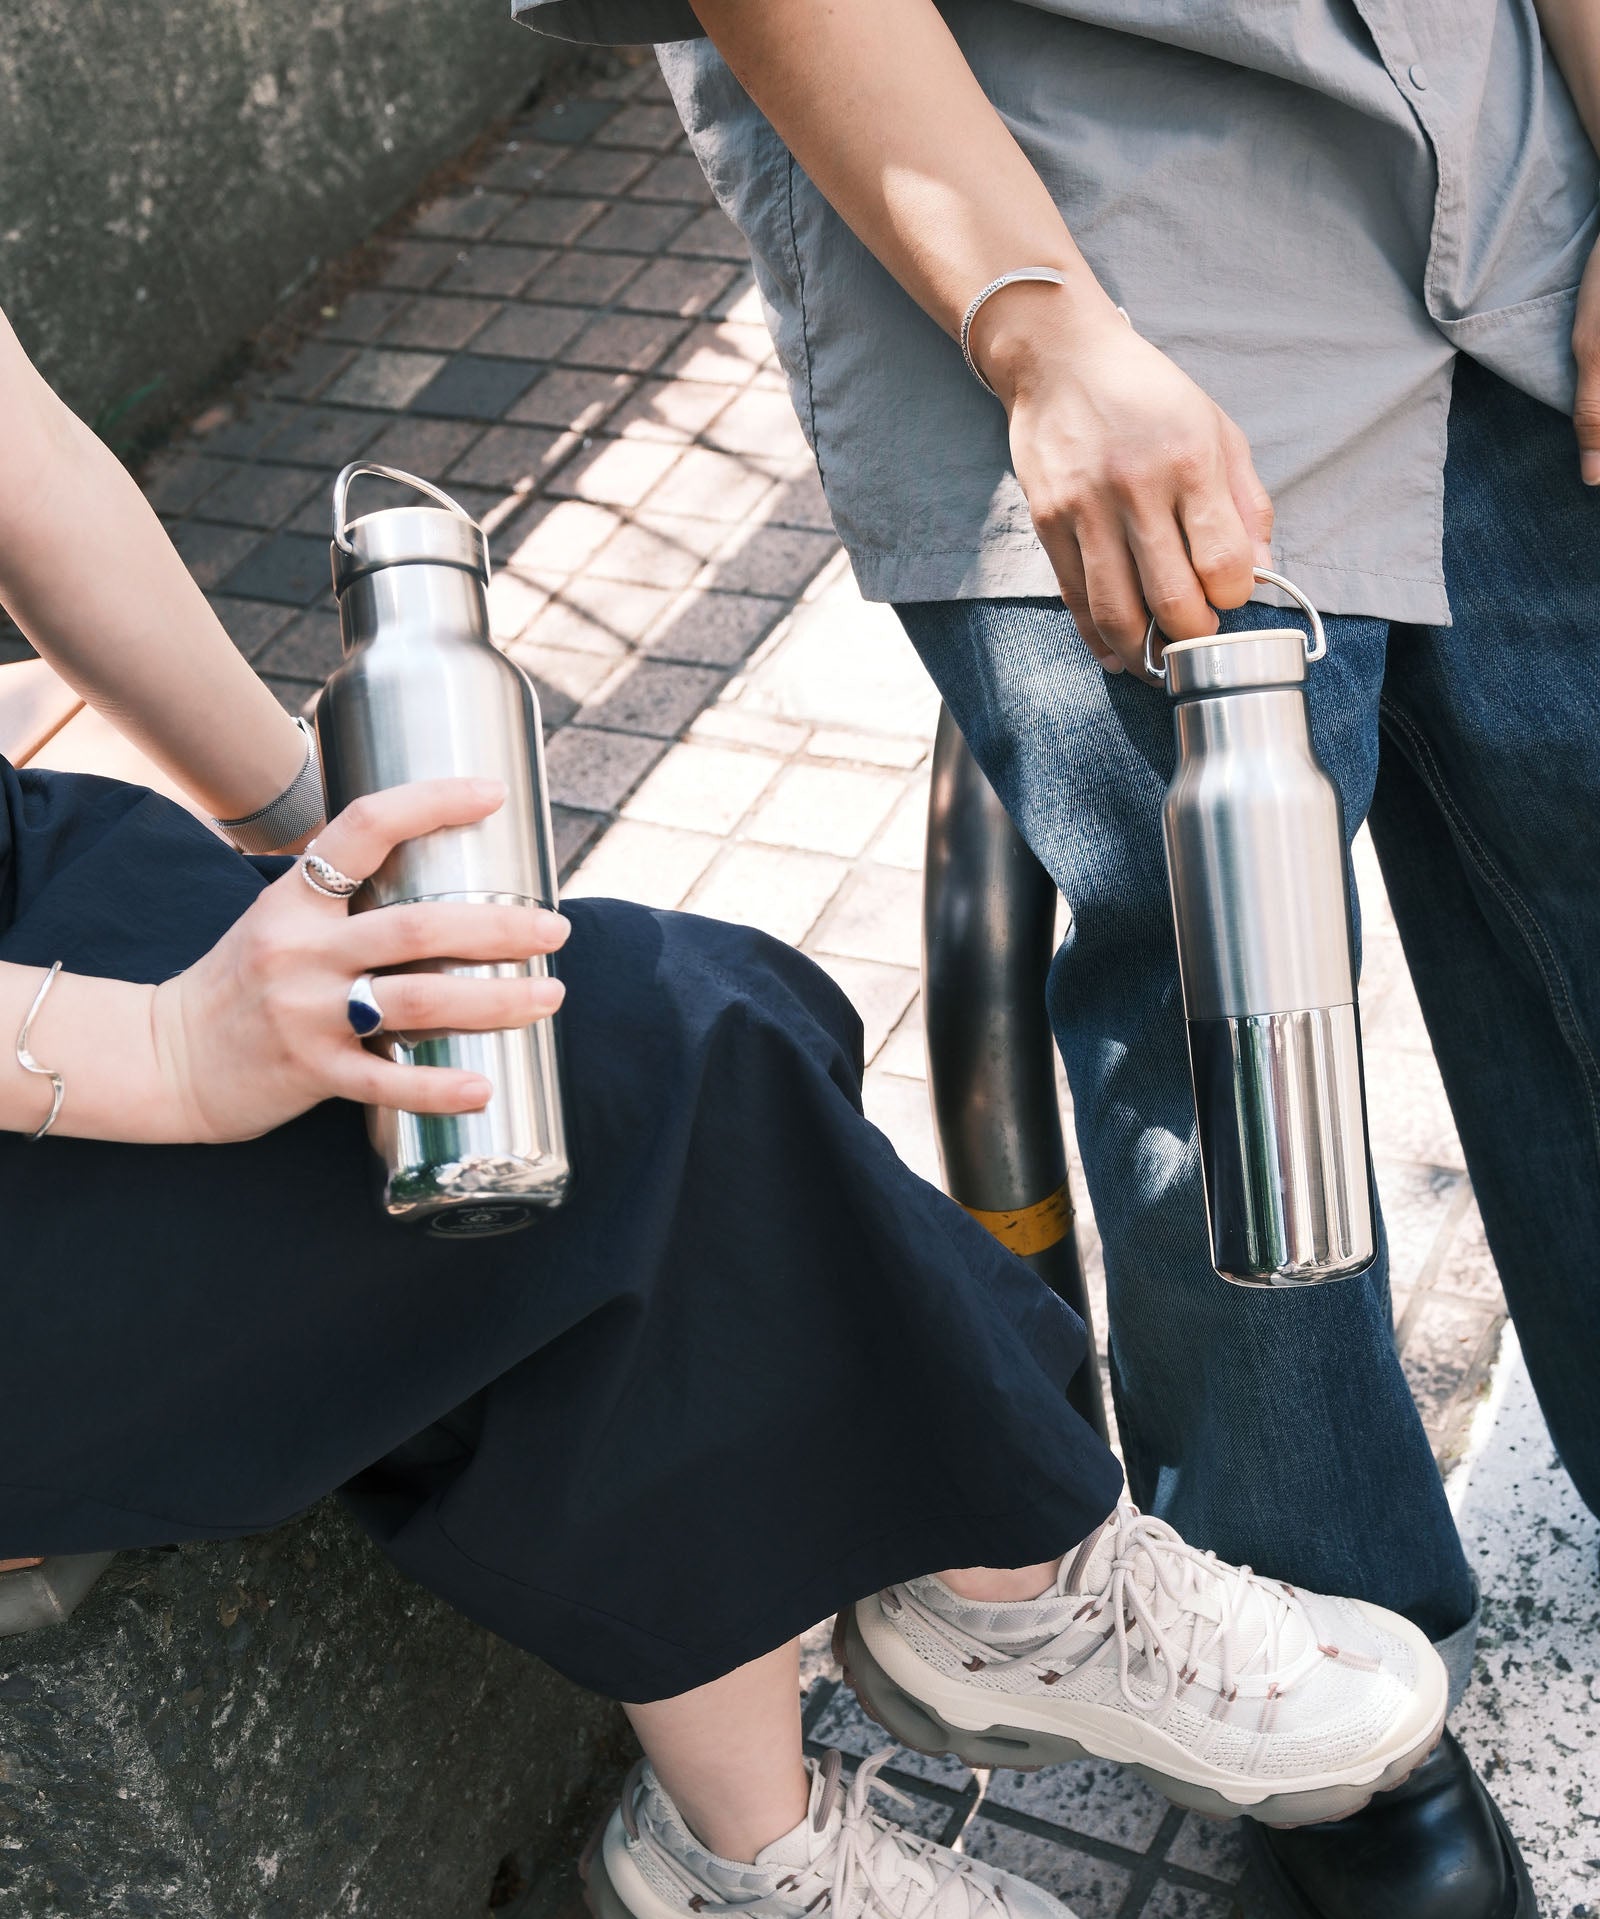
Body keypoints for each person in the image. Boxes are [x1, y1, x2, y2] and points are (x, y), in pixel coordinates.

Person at [0, 304, 1448, 1918]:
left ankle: (756, 1838)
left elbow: (25, 460)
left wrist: (311, 826)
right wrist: (158, 1051)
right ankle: (999, 1601)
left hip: (35, 882)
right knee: (647, 1069)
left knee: (635, 1047)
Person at [508, 2, 1600, 1915]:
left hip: (1499, 133)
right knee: (1221, 982)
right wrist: (1042, 327)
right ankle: (1325, 1673)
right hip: (1062, 199)